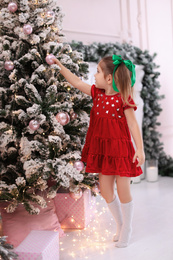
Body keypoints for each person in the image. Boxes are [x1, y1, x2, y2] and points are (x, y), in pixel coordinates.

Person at [53, 54, 145, 248]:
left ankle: (127, 227)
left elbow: (133, 125)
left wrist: (140, 149)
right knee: (105, 190)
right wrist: (59, 66)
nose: (94, 76)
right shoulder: (97, 94)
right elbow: (77, 82)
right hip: (103, 151)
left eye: (97, 72)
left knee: (123, 189)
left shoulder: (123, 98)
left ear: (109, 78)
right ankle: (120, 223)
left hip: (120, 150)